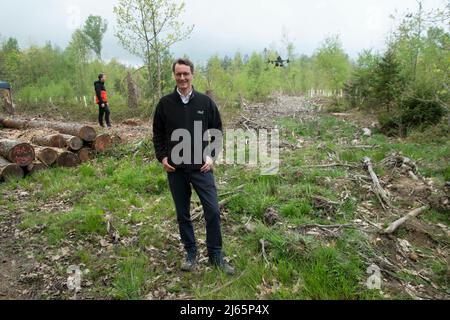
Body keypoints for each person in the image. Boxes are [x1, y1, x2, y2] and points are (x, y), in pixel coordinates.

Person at [152, 58, 235, 275]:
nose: (182, 78)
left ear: (192, 75)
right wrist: (162, 158)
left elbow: (217, 130)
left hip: (201, 168)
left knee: (213, 211)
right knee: (183, 213)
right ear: (174, 76)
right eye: (178, 74)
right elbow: (158, 134)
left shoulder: (205, 103)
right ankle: (191, 252)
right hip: (176, 169)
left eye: (185, 74)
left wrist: (211, 157)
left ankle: (215, 255)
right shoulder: (165, 104)